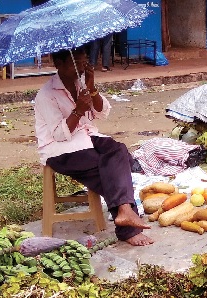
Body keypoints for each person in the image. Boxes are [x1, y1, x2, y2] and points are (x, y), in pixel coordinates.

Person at [35, 46, 153, 246]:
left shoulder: (80, 83)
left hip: (86, 138)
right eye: (76, 64)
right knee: (106, 167)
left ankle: (125, 211)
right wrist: (78, 110)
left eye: (84, 63)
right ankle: (128, 224)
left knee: (118, 150)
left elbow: (101, 112)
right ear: (58, 64)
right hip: (60, 150)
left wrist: (92, 87)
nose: (81, 68)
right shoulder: (46, 95)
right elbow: (59, 134)